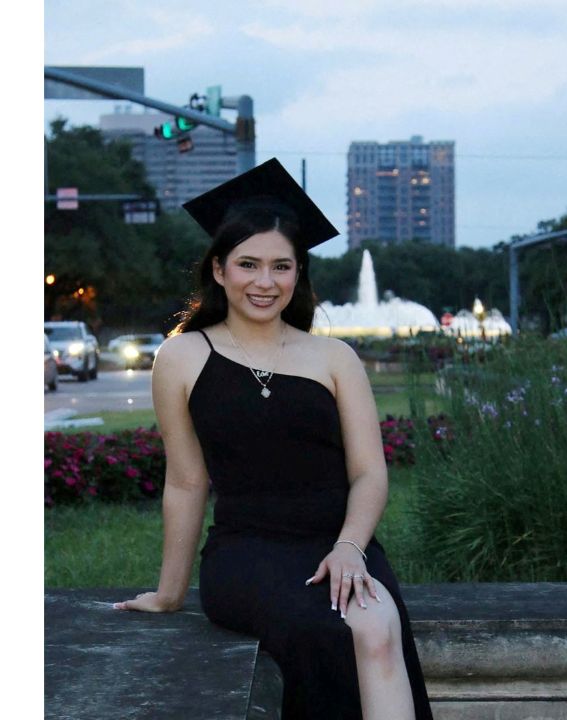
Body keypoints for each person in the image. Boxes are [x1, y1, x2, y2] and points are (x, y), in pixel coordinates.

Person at [113, 159, 434, 720]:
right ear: (219, 270)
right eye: (249, 265)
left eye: (281, 267)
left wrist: (350, 547)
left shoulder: (336, 357)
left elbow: (369, 473)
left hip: (341, 541)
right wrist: (169, 594)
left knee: (378, 625)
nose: (265, 282)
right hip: (247, 550)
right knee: (319, 630)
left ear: (297, 274)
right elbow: (187, 482)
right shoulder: (182, 356)